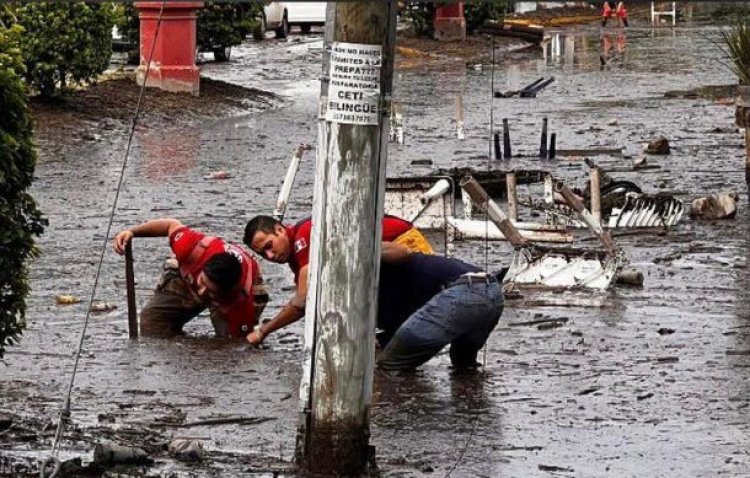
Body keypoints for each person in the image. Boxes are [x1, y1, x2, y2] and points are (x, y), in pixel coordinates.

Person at [242, 214, 433, 345]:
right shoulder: (296, 252)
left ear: (280, 230)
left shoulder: (304, 237)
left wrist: (263, 331)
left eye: (269, 246)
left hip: (404, 246)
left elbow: (302, 302)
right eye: (263, 254)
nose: (270, 256)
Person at [113, 218, 268, 339]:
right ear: (204, 269)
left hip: (240, 290)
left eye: (211, 292)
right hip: (190, 272)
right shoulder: (190, 248)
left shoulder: (240, 303)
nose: (201, 292)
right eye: (202, 283)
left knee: (231, 344)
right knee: (152, 323)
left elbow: (244, 346)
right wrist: (132, 232)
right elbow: (170, 225)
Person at [375, 244, 503, 370]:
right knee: (463, 364)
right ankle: (471, 390)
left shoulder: (386, 281)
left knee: (390, 363)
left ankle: (400, 390)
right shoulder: (407, 276)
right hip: (493, 292)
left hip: (464, 291)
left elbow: (403, 251)